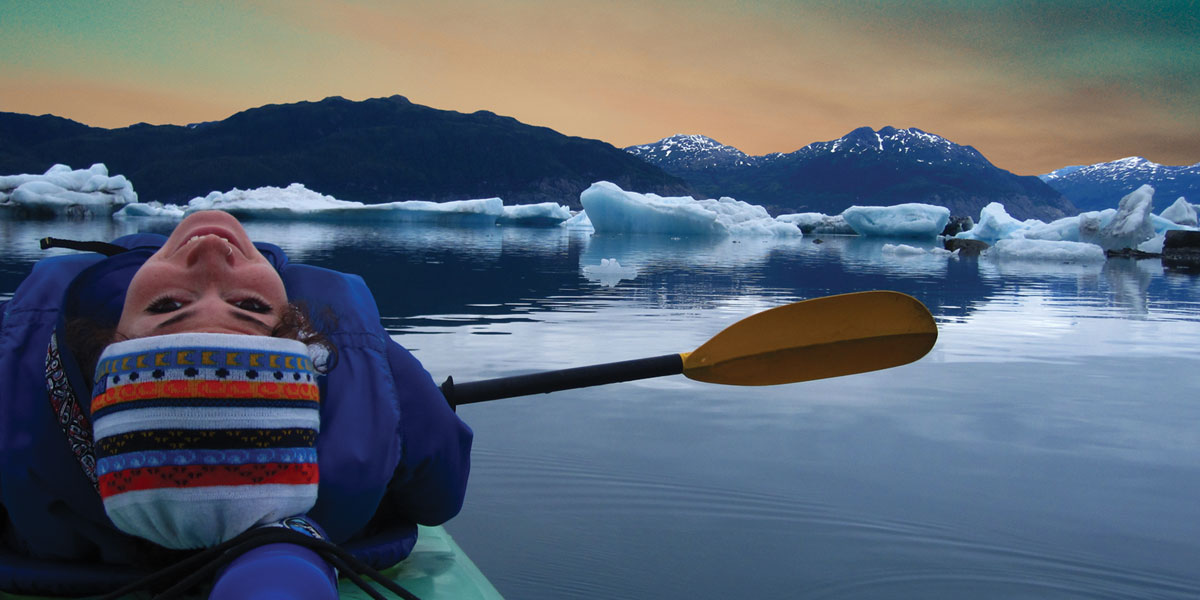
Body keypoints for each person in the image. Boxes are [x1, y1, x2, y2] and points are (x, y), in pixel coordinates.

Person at [0, 211, 473, 597]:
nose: (211, 253)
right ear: (301, 335)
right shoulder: (361, 356)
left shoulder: (16, 347)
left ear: (102, 348)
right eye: (251, 306)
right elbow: (439, 494)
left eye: (166, 307)